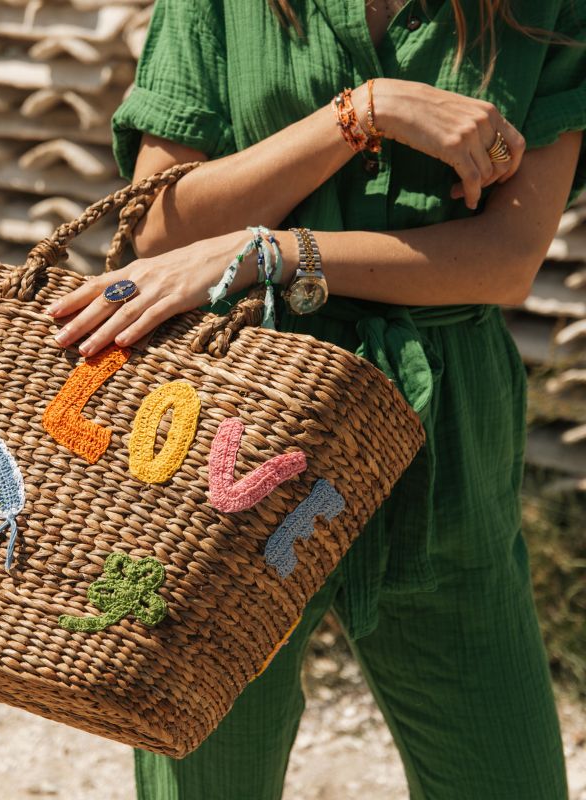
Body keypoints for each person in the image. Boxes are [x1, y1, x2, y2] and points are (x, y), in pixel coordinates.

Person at [47, 1, 586, 797]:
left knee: (502, 775)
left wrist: (276, 251)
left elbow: (505, 258)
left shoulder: (546, 9)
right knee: (208, 775)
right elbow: (160, 229)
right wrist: (365, 113)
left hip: (442, 430)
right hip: (231, 420)